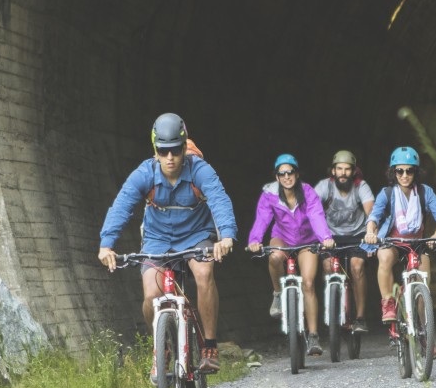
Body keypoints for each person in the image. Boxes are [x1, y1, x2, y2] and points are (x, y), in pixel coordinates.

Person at [97, 113, 237, 374]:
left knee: (204, 273)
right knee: (151, 294)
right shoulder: (145, 173)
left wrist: (226, 235)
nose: (170, 157)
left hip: (196, 234)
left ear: (184, 147)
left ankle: (209, 345)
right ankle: (161, 346)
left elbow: (219, 198)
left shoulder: (199, 170)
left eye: (175, 150)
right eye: (163, 151)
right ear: (155, 151)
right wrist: (107, 244)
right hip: (157, 238)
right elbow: (122, 205)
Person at [246, 153, 335, 356]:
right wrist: (254, 240)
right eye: (282, 173)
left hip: (307, 241)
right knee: (275, 257)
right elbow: (262, 219)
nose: (287, 177)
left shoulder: (308, 192)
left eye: (290, 172)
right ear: (277, 177)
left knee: (309, 284)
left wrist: (325, 237)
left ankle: (313, 336)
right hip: (282, 238)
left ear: (297, 174)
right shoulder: (269, 194)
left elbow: (316, 216)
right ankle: (277, 293)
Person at [363, 146, 436, 331]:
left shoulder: (425, 192)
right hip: (393, 242)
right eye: (400, 170)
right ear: (394, 172)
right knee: (384, 257)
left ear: (416, 172)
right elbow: (374, 217)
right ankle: (388, 303)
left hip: (417, 243)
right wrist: (370, 232)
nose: (404, 175)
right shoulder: (387, 193)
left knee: (423, 288)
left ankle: (423, 333)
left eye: (409, 170)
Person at [314, 150, 375, 333]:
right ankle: (334, 301)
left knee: (357, 267)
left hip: (357, 235)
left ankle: (360, 317)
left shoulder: (361, 186)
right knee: (326, 266)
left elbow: (371, 213)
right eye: (339, 169)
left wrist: (371, 236)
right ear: (333, 171)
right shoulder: (324, 186)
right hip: (330, 237)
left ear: (354, 171)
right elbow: (311, 210)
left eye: (347, 169)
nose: (343, 173)